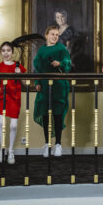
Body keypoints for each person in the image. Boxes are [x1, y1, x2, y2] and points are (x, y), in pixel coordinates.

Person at [33, 25, 72, 158]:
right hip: (44, 86)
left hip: (59, 86)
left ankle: (58, 145)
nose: (55, 37)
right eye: (52, 34)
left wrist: (60, 63)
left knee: (57, 115)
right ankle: (47, 144)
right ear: (47, 35)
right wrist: (37, 82)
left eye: (57, 35)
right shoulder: (42, 50)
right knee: (45, 115)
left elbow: (67, 62)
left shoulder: (61, 48)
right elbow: (38, 69)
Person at [0, 41, 24, 164]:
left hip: (15, 98)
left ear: (12, 52)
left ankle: (10, 151)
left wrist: (19, 75)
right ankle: (2, 149)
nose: (6, 53)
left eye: (8, 50)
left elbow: (25, 83)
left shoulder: (17, 66)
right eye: (3, 51)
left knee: (13, 125)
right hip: (2, 98)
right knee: (1, 124)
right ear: (1, 52)